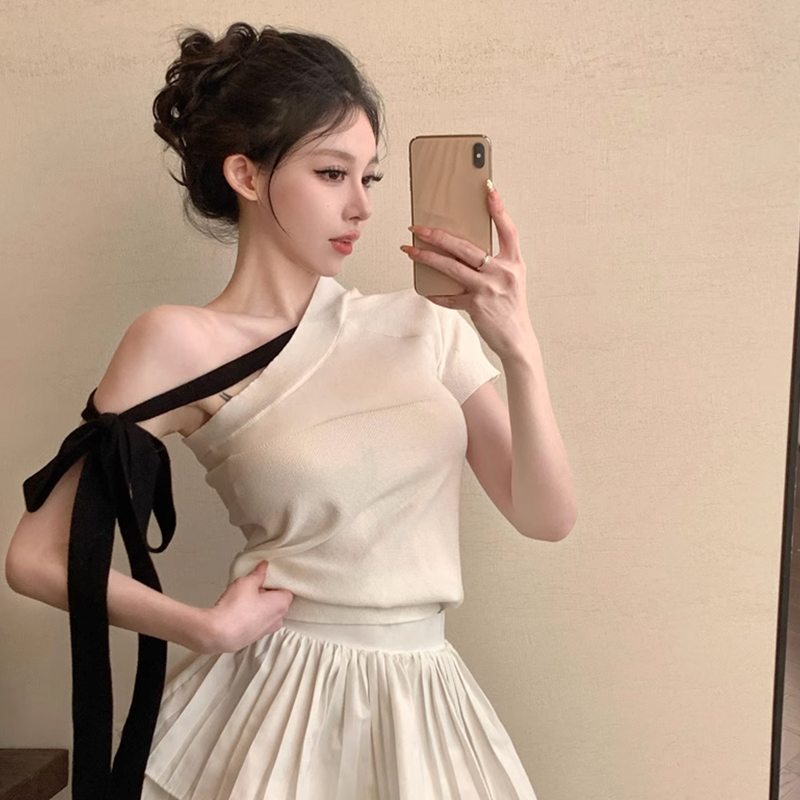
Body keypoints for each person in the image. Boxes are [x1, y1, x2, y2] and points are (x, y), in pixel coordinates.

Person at [5, 21, 577, 800]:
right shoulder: (177, 343)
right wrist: (203, 627)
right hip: (273, 705)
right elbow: (36, 557)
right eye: (332, 173)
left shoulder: (427, 327)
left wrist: (520, 349)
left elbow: (546, 516)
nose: (361, 207)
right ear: (246, 173)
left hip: (426, 701)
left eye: (370, 177)